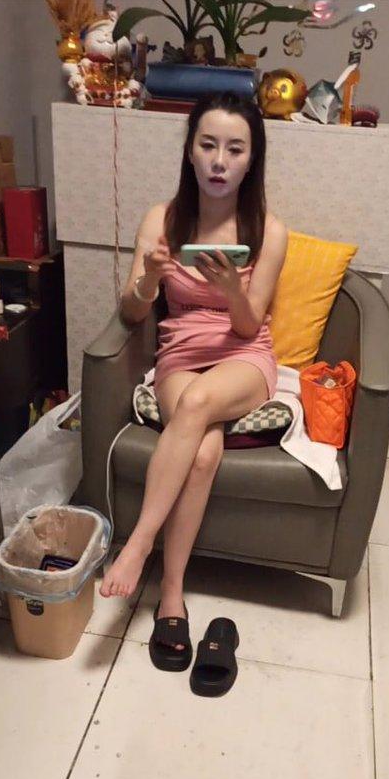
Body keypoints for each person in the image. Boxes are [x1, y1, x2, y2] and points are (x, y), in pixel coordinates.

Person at [100, 91, 288, 656]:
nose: (219, 161)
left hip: (244, 356)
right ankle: (172, 593)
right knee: (203, 453)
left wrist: (232, 289)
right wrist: (150, 279)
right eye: (208, 145)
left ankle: (138, 545)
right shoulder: (161, 219)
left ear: (251, 160)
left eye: (235, 149)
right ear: (190, 150)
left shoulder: (269, 230)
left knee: (200, 401)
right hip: (180, 353)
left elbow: (250, 323)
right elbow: (133, 313)